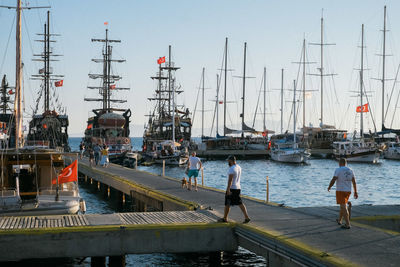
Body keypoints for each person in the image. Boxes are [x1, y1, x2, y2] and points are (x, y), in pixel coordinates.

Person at [218, 155, 250, 223]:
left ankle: (225, 218)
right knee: (239, 202)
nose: (228, 162)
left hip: (232, 188)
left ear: (231, 161)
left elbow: (230, 180)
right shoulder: (239, 167)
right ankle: (246, 217)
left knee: (227, 203)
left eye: (228, 161)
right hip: (238, 187)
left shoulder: (232, 169)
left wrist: (228, 189)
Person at [327, 158, 358, 229]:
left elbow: (334, 179)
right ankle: (340, 220)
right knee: (342, 205)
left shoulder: (338, 170)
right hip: (348, 191)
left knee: (343, 206)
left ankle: (347, 224)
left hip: (340, 190)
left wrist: (329, 186)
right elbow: (354, 181)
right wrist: (355, 191)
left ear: (340, 163)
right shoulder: (350, 170)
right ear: (346, 163)